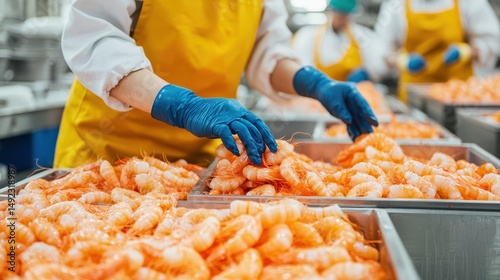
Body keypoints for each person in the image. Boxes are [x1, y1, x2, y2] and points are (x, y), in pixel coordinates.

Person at [54, 0, 378, 168]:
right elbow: (95, 38)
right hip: (107, 155)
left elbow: (267, 52)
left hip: (197, 162)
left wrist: (315, 83)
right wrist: (179, 104)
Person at [375, 0, 500, 101]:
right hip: (414, 98)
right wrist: (403, 61)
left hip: (459, 96)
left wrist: (465, 51)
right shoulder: (396, 5)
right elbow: (382, 51)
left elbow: (491, 42)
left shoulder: (469, 2)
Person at [293, 0, 386, 83]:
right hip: (321, 93)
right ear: (331, 11)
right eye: (340, 14)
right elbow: (302, 70)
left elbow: (377, 64)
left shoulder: (361, 35)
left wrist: (366, 73)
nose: (343, 19)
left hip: (353, 91)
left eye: (347, 15)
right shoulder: (308, 36)